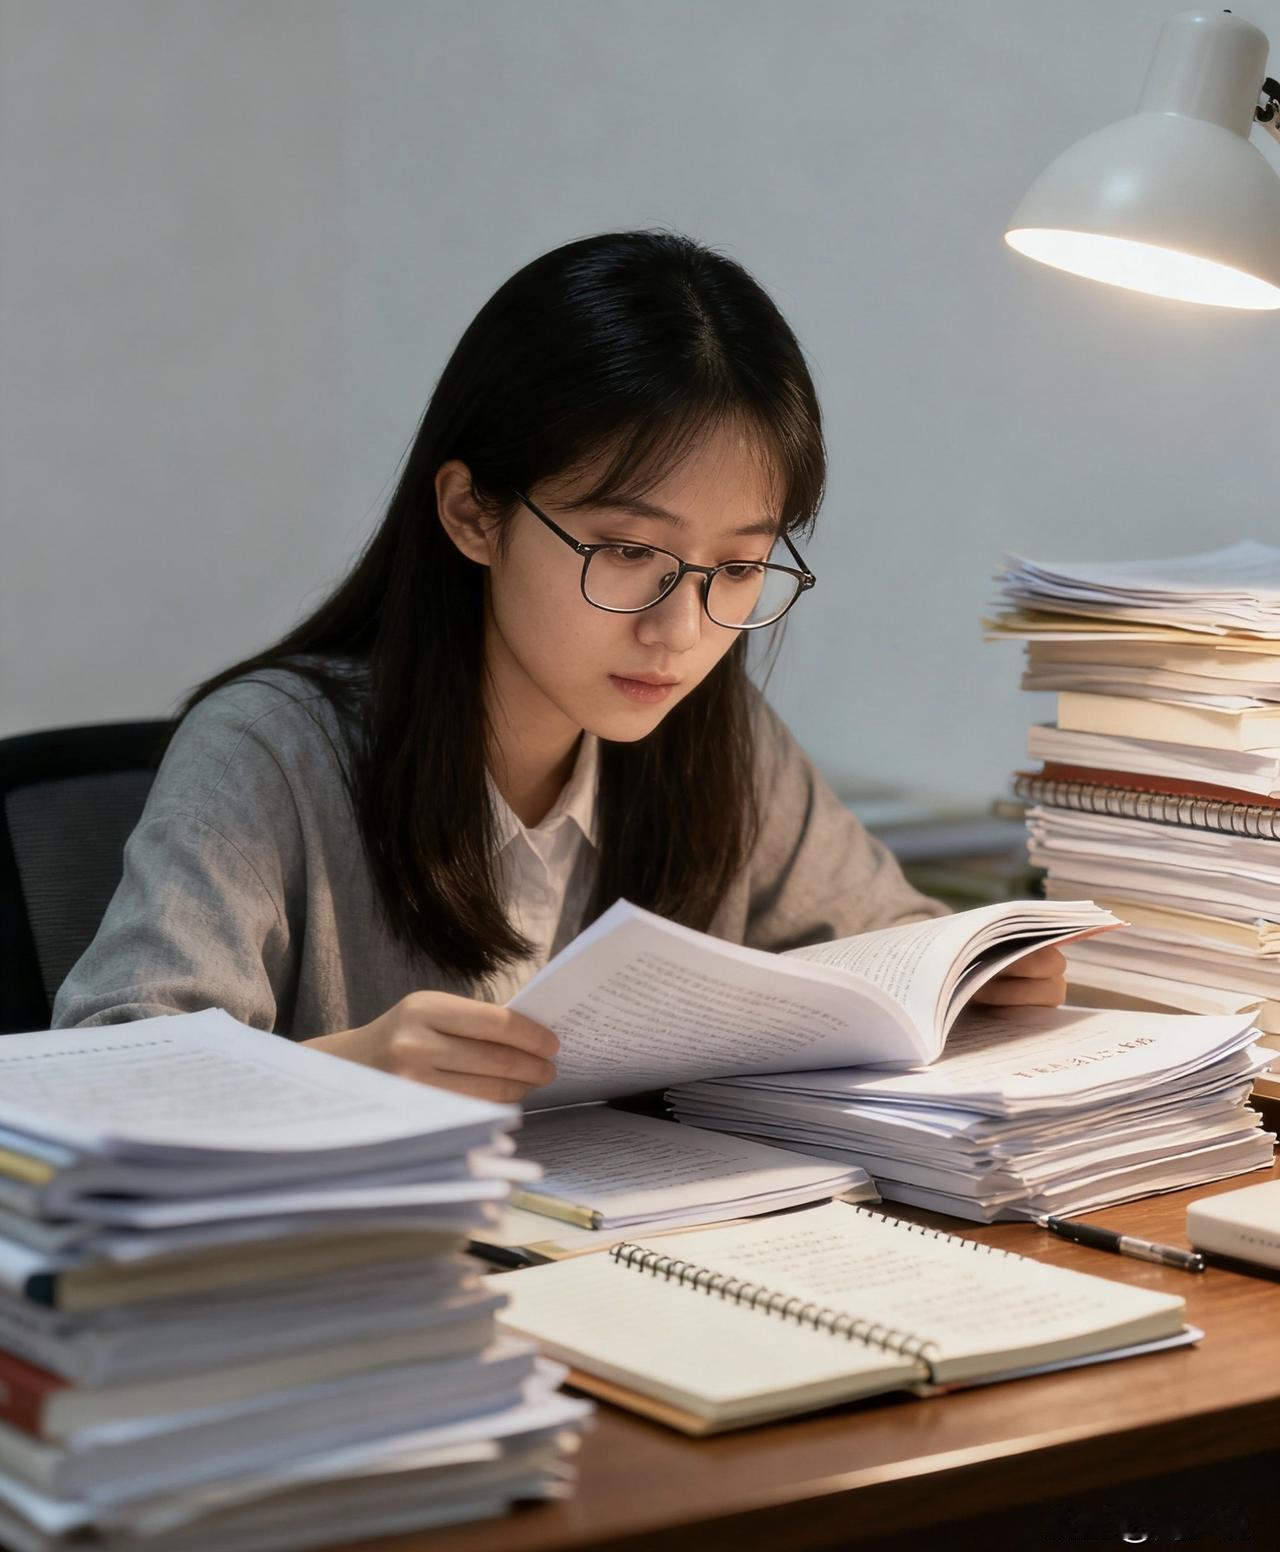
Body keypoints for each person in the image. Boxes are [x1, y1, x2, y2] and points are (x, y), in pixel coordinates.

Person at [53, 231, 1065, 1100]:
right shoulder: (266, 752)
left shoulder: (720, 740)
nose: (681, 629)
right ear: (470, 513)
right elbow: (99, 1084)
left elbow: (883, 938)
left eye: (738, 566)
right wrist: (344, 1070)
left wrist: (970, 973)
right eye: (626, 551)